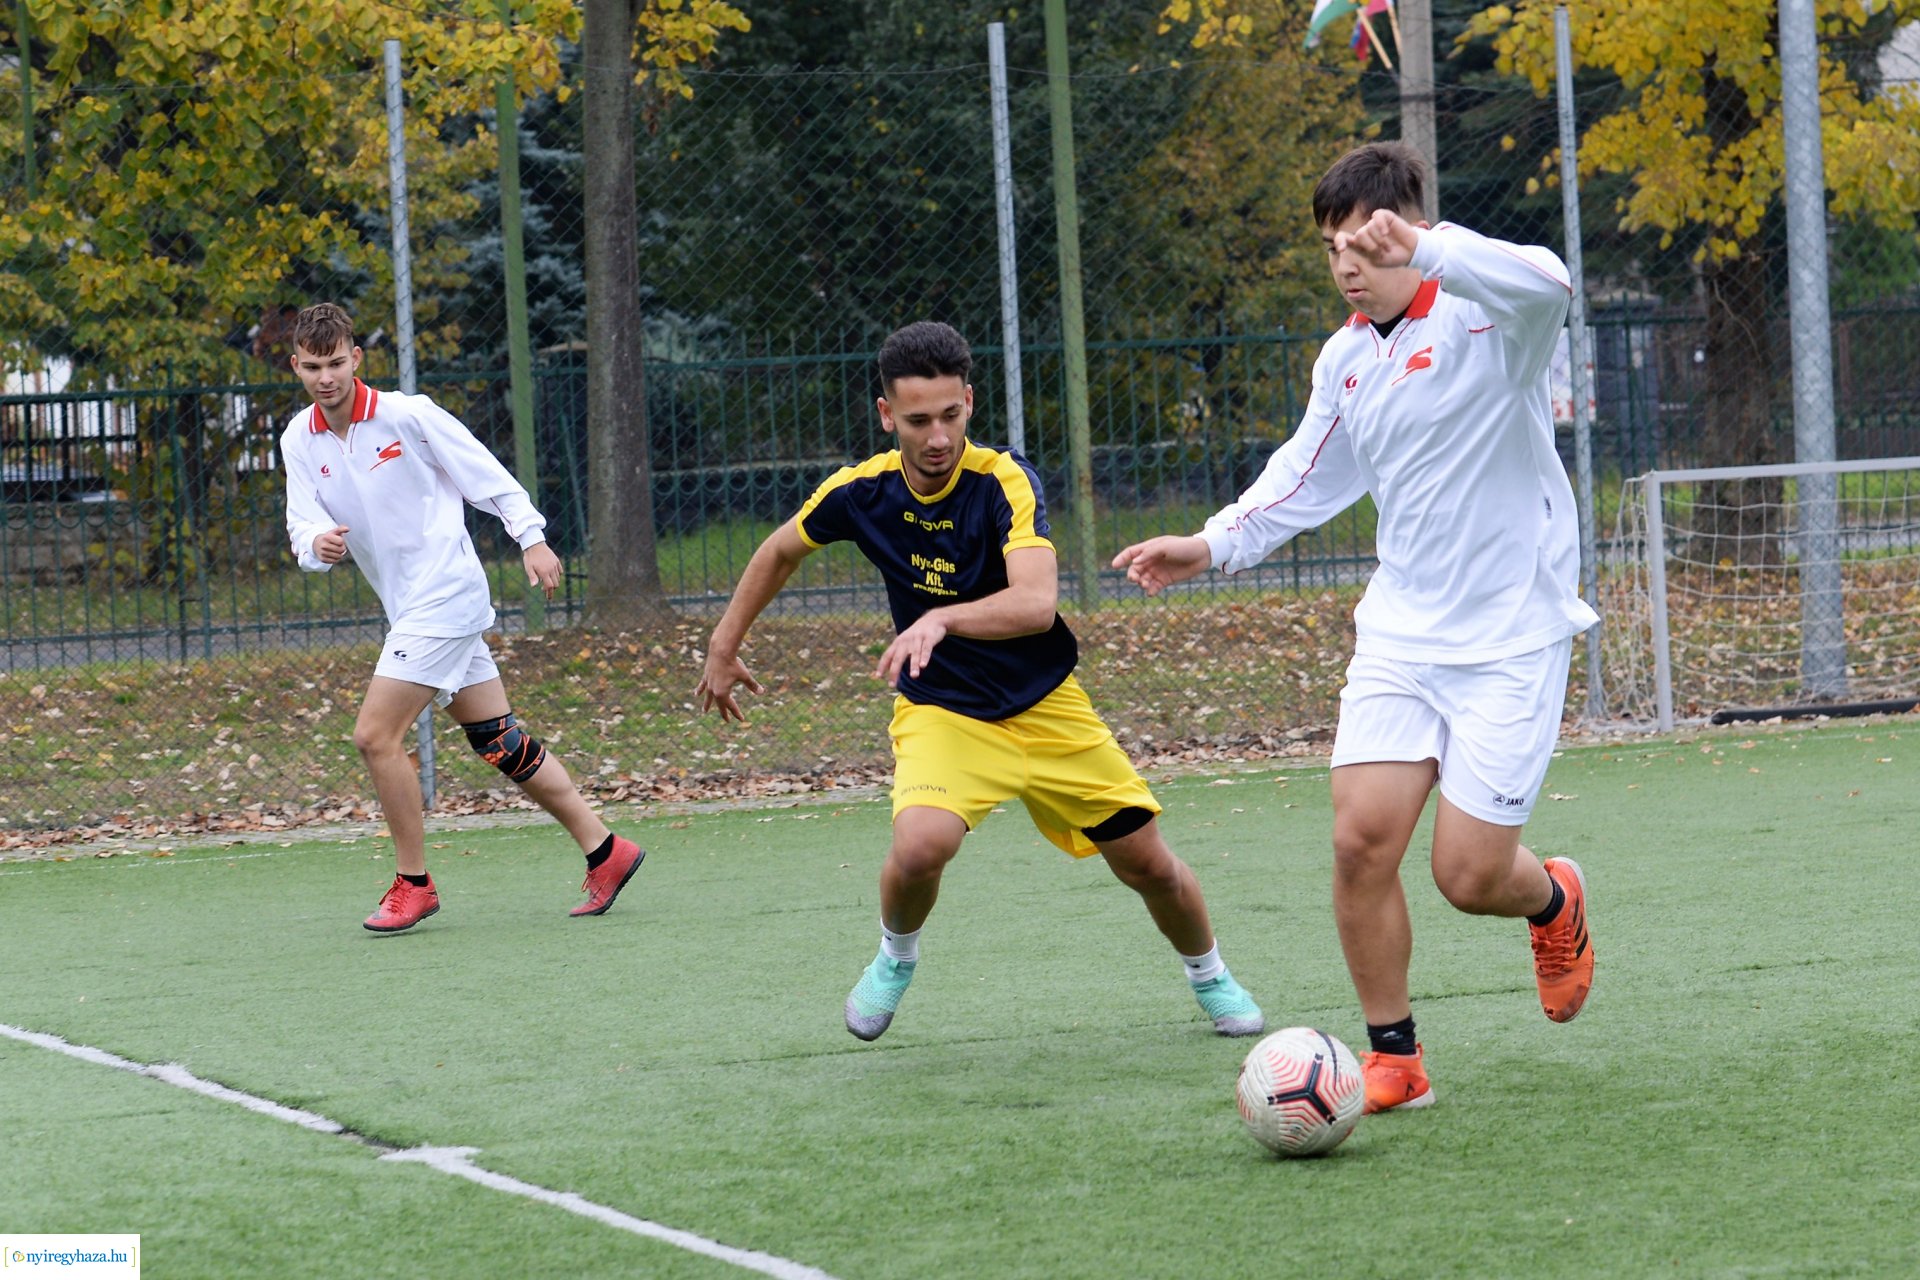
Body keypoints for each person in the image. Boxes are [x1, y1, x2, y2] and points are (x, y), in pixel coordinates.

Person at [1113, 142, 1599, 1114]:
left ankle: (1553, 898)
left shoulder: (1490, 319)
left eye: (1364, 244)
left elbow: (1550, 281)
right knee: (1359, 842)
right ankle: (1396, 1059)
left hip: (1510, 638)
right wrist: (1209, 544)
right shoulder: (1345, 359)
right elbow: (1302, 475)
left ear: (1408, 232)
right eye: (1333, 246)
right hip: (1401, 638)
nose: (1347, 263)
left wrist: (1431, 245)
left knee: (1467, 874)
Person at [696, 320, 1264, 1042]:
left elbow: (1036, 604)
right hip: (946, 712)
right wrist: (723, 647)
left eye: (950, 415)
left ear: (969, 400)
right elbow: (780, 550)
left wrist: (942, 619)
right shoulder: (861, 491)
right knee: (919, 847)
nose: (937, 437)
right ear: (886, 415)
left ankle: (1210, 975)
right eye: (918, 421)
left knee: (1149, 865)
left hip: (1046, 707)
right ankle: (895, 957)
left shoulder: (1003, 480)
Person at [279, 302, 644, 932]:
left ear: (356, 358)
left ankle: (413, 883)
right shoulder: (298, 439)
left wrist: (531, 537)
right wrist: (317, 544)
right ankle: (606, 850)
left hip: (446, 594)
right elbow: (301, 524)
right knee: (499, 741)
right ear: (296, 367)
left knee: (374, 736)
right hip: (409, 609)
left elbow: (485, 475)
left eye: (336, 362)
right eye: (313, 367)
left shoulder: (408, 415)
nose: (326, 378)